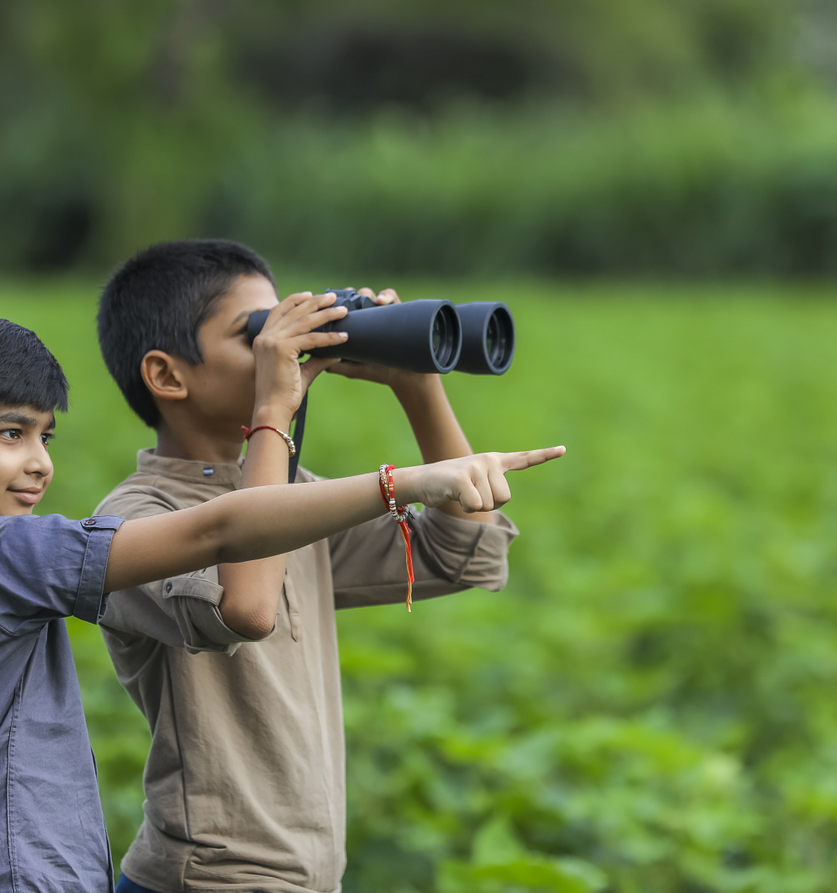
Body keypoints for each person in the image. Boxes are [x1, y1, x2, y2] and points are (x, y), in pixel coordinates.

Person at [0, 301, 562, 893]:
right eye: (12, 434)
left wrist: (416, 378)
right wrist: (383, 472)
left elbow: (459, 552)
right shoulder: (7, 549)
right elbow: (234, 557)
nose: (40, 463)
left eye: (44, 435)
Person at [93, 240, 536, 893]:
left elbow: (458, 553)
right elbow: (244, 607)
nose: (287, 349)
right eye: (258, 335)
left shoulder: (292, 497)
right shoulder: (132, 521)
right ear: (167, 375)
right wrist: (273, 414)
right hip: (203, 879)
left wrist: (418, 385)